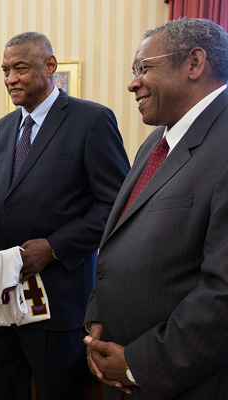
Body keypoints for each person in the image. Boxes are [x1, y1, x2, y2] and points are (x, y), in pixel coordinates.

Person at [0, 32, 131, 399]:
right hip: (1, 299)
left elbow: (116, 208)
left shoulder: (92, 120)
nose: (10, 79)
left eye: (20, 68)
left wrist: (53, 247)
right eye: (5, 70)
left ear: (50, 66)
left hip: (57, 301)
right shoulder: (5, 128)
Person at [84, 18, 228, 400]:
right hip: (120, 368)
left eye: (144, 68)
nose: (133, 83)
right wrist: (98, 318)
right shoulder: (155, 142)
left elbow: (222, 292)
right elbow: (118, 239)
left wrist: (139, 363)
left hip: (181, 381)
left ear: (194, 64)